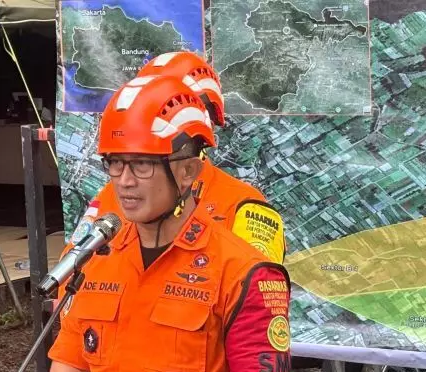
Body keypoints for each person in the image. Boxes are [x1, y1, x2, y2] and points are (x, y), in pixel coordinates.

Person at [45, 74, 292, 372]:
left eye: (141, 164)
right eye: (115, 163)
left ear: (188, 171)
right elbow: (71, 360)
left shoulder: (242, 268)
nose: (124, 182)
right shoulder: (97, 259)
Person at [64, 50, 286, 265]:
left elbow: (254, 281)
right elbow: (74, 265)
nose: (126, 179)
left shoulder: (243, 205)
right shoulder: (116, 193)